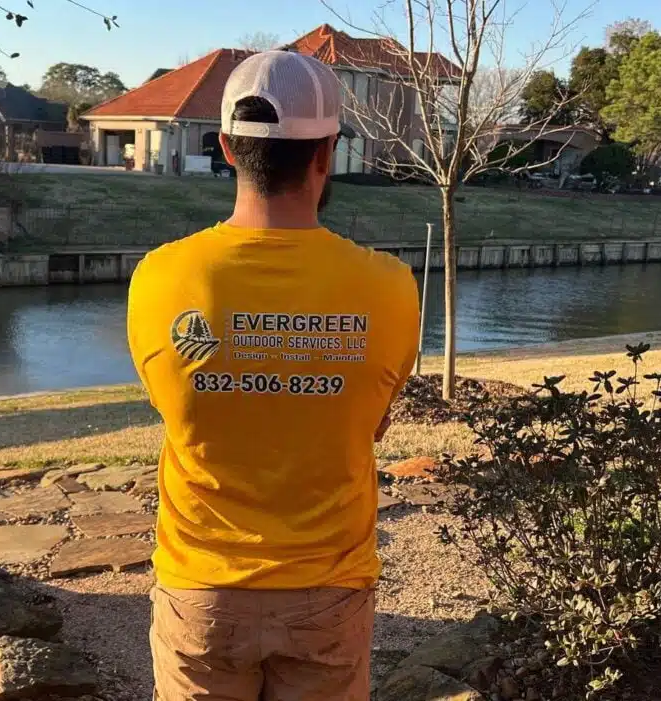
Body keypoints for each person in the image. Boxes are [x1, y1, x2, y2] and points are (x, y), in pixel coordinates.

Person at [126, 50, 420, 701]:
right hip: (328, 591)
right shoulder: (390, 288)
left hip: (203, 588)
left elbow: (175, 410)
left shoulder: (159, 279)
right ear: (327, 153)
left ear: (228, 147)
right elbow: (372, 423)